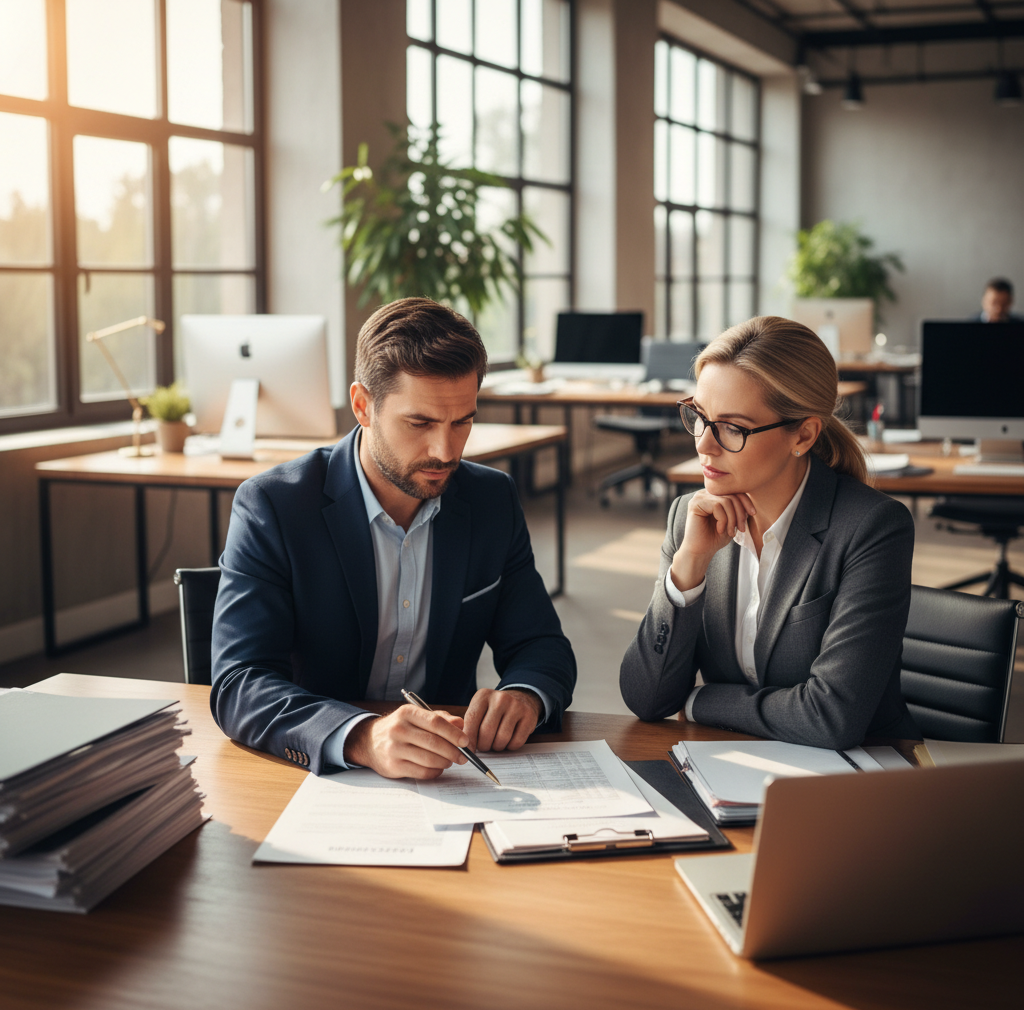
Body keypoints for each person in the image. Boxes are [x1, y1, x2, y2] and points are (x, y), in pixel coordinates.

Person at [211, 297, 576, 779]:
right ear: (363, 406)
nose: (445, 451)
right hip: (316, 775)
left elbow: (541, 644)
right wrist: (362, 736)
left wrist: (526, 694)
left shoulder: (491, 499)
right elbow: (239, 683)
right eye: (420, 423)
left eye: (462, 421)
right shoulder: (274, 507)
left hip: (450, 773)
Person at [619, 315, 921, 748]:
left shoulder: (871, 529)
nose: (704, 443)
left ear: (803, 434)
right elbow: (646, 699)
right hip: (734, 771)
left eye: (732, 428)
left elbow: (830, 717)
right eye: (699, 416)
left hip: (857, 782)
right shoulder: (691, 517)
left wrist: (704, 702)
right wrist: (688, 568)